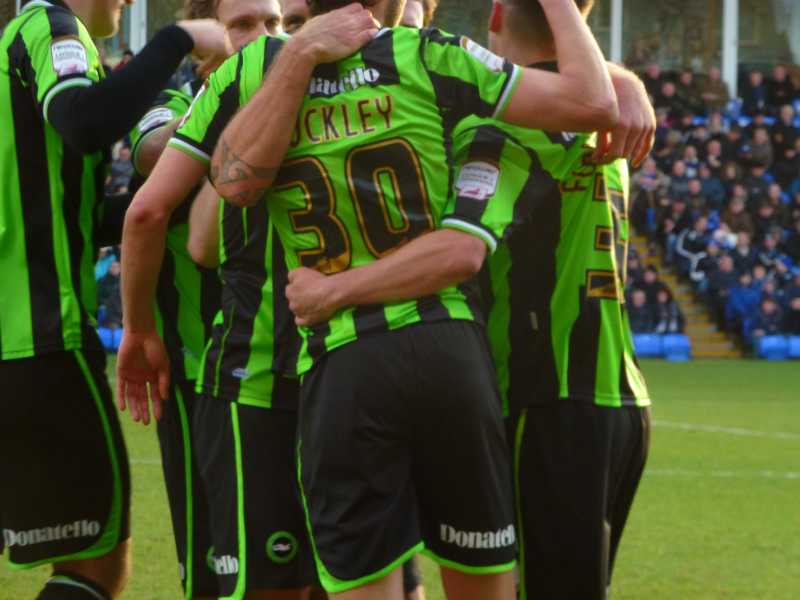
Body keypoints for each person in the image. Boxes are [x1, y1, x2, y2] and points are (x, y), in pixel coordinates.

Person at [123, 1, 651, 599]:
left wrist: (294, 61)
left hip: (339, 361)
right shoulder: (430, 55)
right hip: (450, 351)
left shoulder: (250, 75)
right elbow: (590, 102)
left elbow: (201, 201)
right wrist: (617, 75)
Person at [0, 2, 225, 600]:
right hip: (35, 336)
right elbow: (86, 120)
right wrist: (178, 38)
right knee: (96, 561)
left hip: (17, 336)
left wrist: (178, 194)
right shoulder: (49, 25)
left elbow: (70, 212)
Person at [125, 1, 321, 599]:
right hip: (200, 378)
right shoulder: (173, 102)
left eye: (277, 24)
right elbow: (155, 153)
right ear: (204, 37)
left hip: (316, 370)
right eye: (243, 26)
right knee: (219, 580)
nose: (265, 39)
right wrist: (242, 128)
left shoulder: (311, 99)